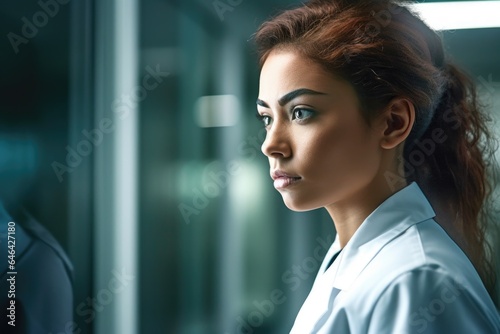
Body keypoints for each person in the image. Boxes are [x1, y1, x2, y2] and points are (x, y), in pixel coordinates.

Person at [253, 0, 500, 332]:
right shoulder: (352, 261)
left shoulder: (417, 282)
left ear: (393, 123)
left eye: (301, 112)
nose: (271, 144)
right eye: (267, 118)